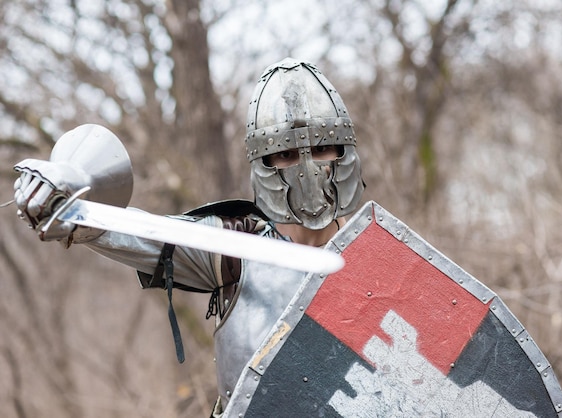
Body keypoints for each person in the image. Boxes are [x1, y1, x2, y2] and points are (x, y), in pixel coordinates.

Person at [12, 57, 365, 415]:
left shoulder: (382, 253)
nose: (307, 167)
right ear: (265, 164)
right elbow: (140, 234)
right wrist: (69, 205)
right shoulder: (233, 247)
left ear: (344, 152)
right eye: (286, 154)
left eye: (321, 148)